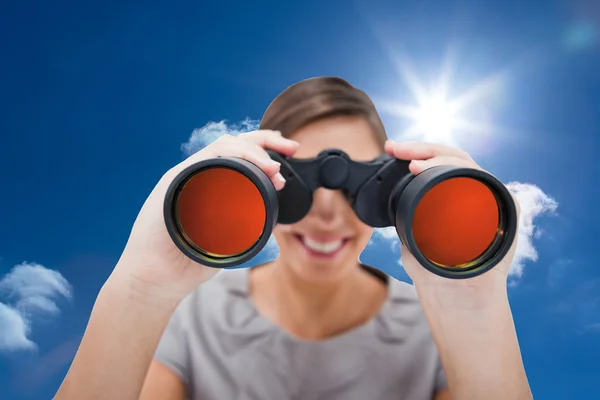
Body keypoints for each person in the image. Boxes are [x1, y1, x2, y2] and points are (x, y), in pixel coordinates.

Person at [53, 77, 532, 400]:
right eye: (294, 185)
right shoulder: (191, 316)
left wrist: (472, 303)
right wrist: (141, 288)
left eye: (358, 187)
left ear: (393, 190)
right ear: (261, 183)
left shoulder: (437, 328)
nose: (327, 212)